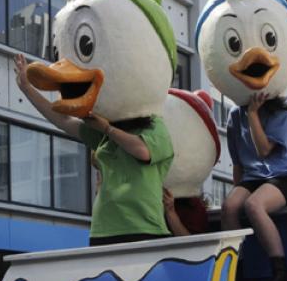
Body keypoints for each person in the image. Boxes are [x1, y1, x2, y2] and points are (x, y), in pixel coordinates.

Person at [14, 54, 174, 247]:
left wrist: (107, 129)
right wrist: (27, 88)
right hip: (104, 229)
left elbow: (142, 150)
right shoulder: (103, 131)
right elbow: (62, 121)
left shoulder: (155, 125)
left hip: (145, 228)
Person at [220, 92, 287, 281]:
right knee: (229, 207)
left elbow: (263, 150)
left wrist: (252, 114)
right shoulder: (234, 114)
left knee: (254, 205)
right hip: (253, 177)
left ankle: (282, 273)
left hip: (285, 175)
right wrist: (236, 190)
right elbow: (238, 161)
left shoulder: (286, 117)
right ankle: (235, 274)